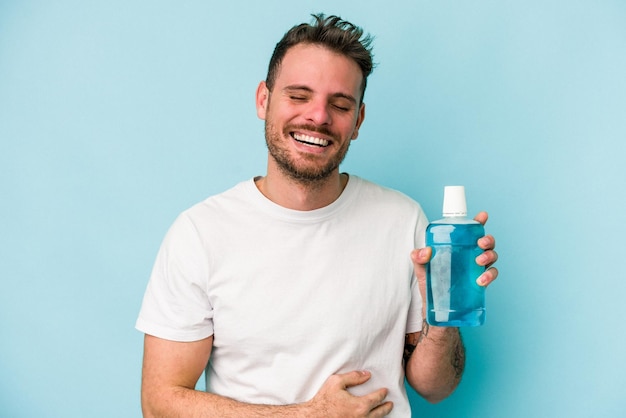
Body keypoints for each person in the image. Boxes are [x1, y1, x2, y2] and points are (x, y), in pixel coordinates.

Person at [136, 13, 499, 418]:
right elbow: (160, 402)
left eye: (340, 104)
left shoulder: (403, 220)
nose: (319, 116)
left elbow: (436, 388)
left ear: (357, 121)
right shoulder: (200, 234)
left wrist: (443, 313)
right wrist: (309, 415)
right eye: (298, 96)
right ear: (263, 100)